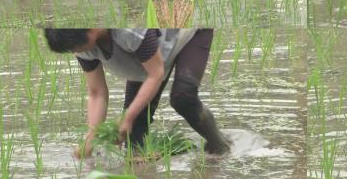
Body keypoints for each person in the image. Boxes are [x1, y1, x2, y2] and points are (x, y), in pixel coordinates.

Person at [44, 28, 231, 157]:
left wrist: (127, 117)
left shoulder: (129, 31)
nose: (75, 52)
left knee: (183, 97)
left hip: (187, 36)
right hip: (148, 61)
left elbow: (156, 73)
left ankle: (220, 146)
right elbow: (97, 92)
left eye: (74, 48)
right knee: (134, 145)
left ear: (91, 29)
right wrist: (91, 137)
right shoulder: (81, 44)